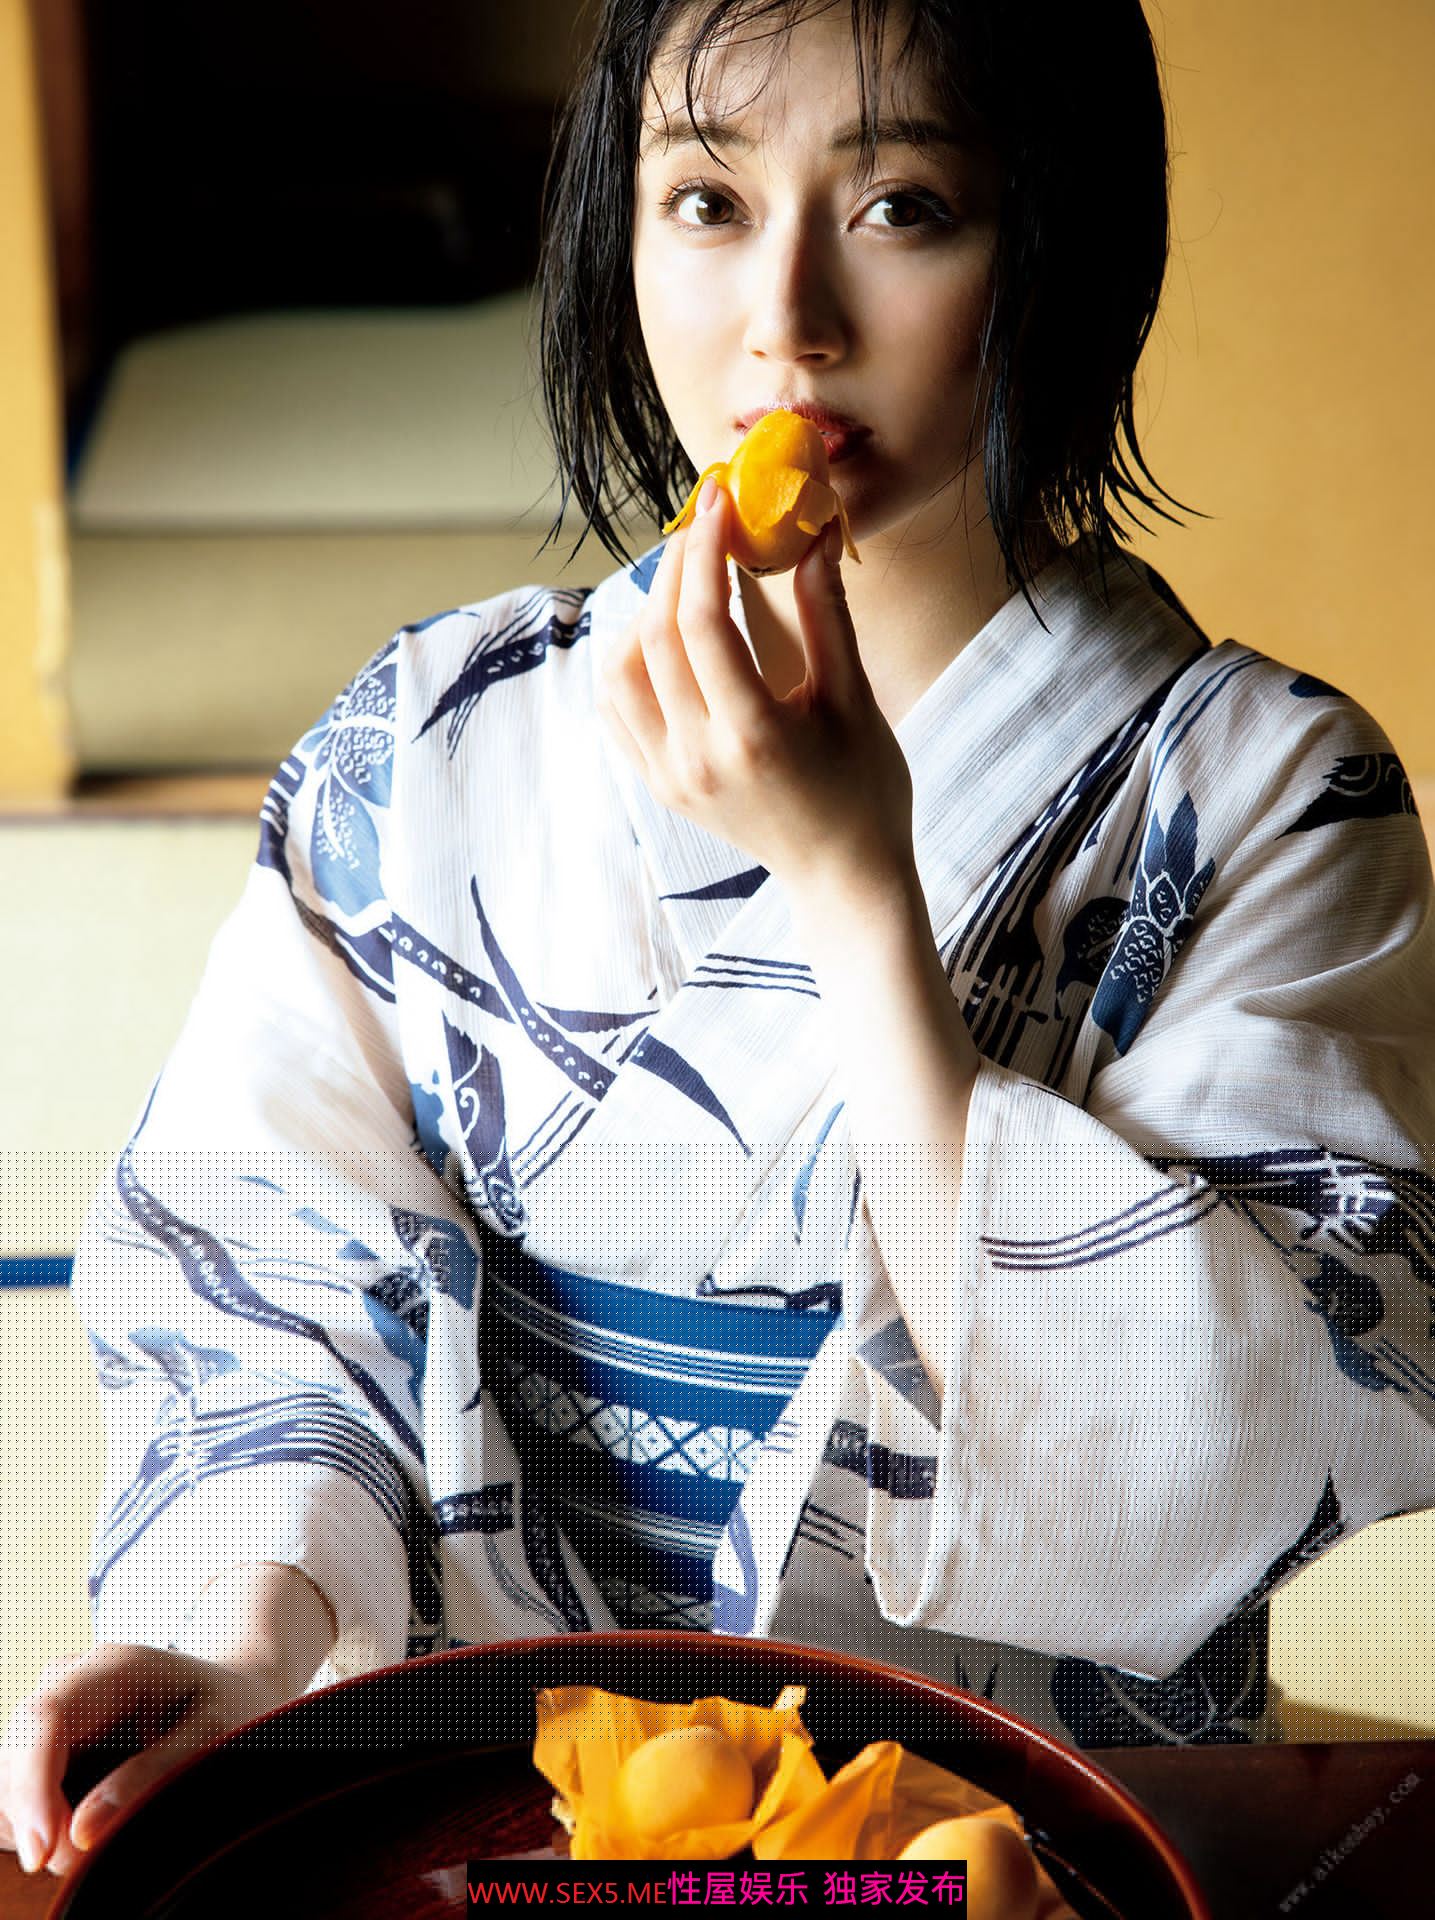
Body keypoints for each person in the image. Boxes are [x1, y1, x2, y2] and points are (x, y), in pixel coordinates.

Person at [7, 0, 1435, 1883]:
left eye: (905, 205)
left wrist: (856, 890)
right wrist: (231, 1645)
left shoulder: (1269, 795)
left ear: (1060, 243)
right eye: (706, 200)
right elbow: (270, 1259)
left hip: (1017, 1843)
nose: (789, 320)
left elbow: (1213, 1454)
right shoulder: (432, 744)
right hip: (493, 1834)